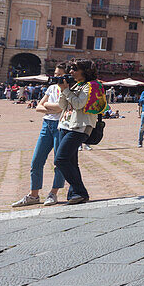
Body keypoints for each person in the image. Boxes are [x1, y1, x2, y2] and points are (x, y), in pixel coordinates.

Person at [12, 64, 68, 208]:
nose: (56, 77)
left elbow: (62, 107)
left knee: (59, 161)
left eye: (59, 75)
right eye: (55, 74)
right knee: (36, 161)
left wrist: (49, 106)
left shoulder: (68, 90)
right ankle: (33, 195)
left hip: (60, 126)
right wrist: (53, 107)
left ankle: (53, 193)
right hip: (46, 125)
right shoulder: (51, 88)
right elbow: (38, 107)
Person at [54, 59, 103, 204]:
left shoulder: (91, 86)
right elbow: (62, 105)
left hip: (79, 127)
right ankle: (75, 194)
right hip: (65, 125)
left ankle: (81, 191)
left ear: (85, 71)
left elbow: (78, 104)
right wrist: (64, 90)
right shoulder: (76, 85)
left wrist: (67, 91)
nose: (71, 72)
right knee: (71, 162)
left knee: (60, 159)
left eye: (74, 69)